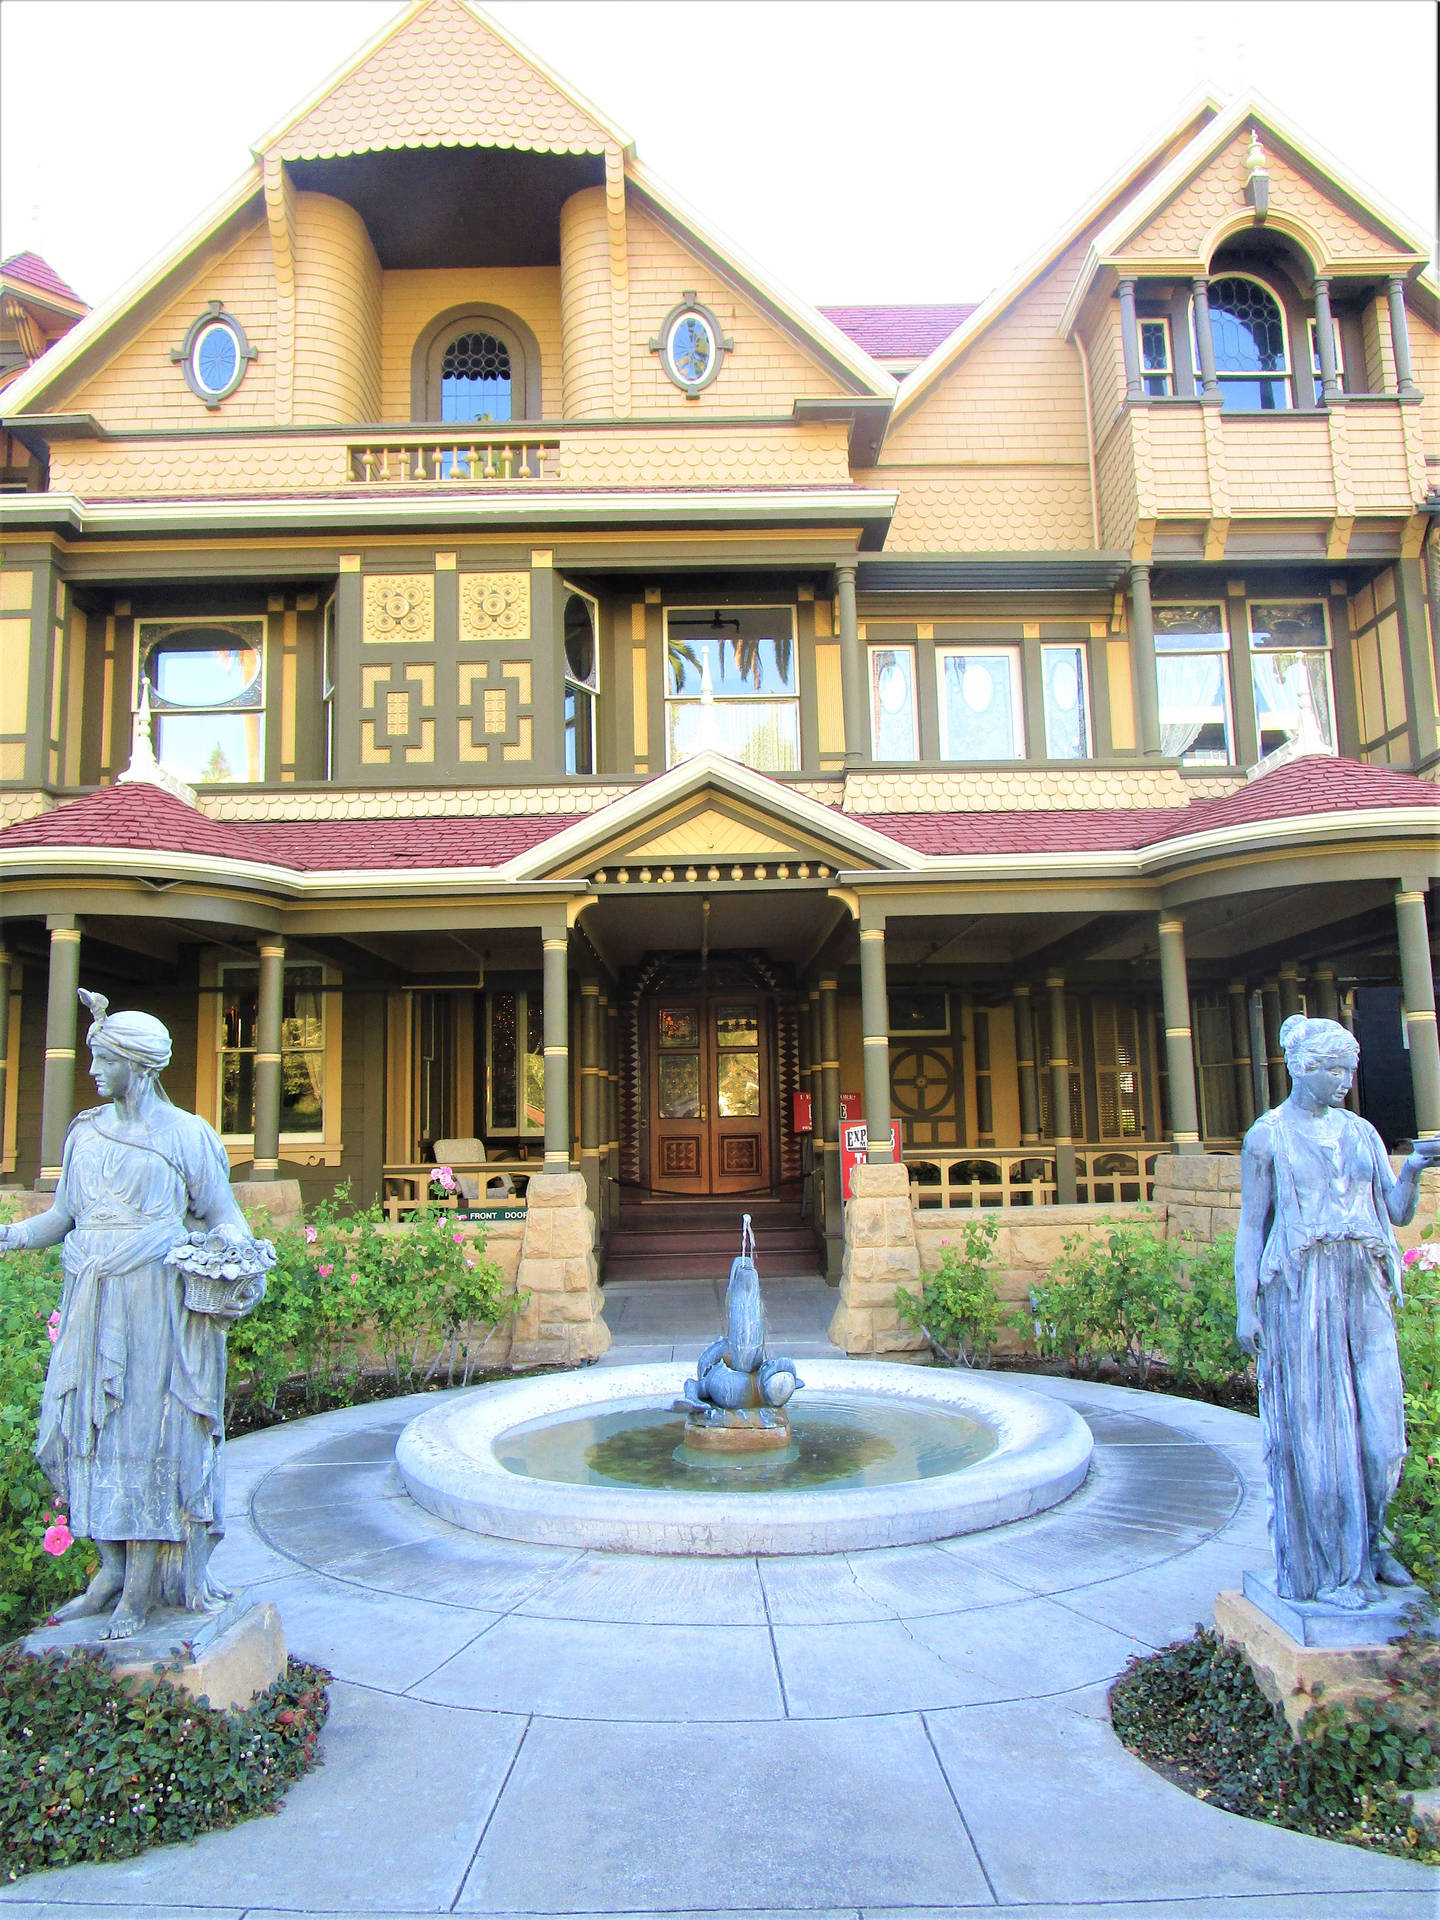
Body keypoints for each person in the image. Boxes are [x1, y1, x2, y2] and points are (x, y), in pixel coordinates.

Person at [0, 990, 265, 1640]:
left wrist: (234, 1243)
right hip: (90, 1301)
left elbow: (222, 1212)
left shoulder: (187, 1137)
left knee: (147, 1434)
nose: (91, 1071)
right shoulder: (85, 1132)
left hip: (156, 1304)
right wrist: (11, 1236)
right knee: (87, 1429)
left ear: (137, 1065)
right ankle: (108, 1573)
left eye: (101, 1059)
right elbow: (63, 1218)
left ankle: (143, 1589)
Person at [1235, 1013, 1440, 1610]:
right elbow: (1252, 1228)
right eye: (1335, 1069)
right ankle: (1332, 1571)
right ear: (1304, 1068)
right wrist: (1246, 1307)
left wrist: (1416, 1170)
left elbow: (1396, 1214)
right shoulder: (1266, 1136)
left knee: (1384, 1439)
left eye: (1350, 1069)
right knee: (1320, 1434)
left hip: (1365, 1283)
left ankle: (1373, 1542)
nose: (1346, 1080)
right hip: (1302, 1291)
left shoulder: (1362, 1133)